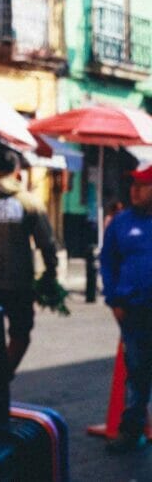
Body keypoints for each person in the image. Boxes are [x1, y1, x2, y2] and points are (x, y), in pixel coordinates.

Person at [0, 148, 58, 378]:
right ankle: (3, 375)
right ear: (16, 170)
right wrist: (50, 274)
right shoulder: (28, 201)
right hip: (19, 283)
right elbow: (47, 243)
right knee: (21, 333)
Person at [100, 165, 152, 452]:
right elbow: (108, 262)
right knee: (138, 372)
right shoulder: (121, 222)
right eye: (133, 184)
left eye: (143, 185)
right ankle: (131, 432)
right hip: (134, 311)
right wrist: (113, 299)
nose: (135, 190)